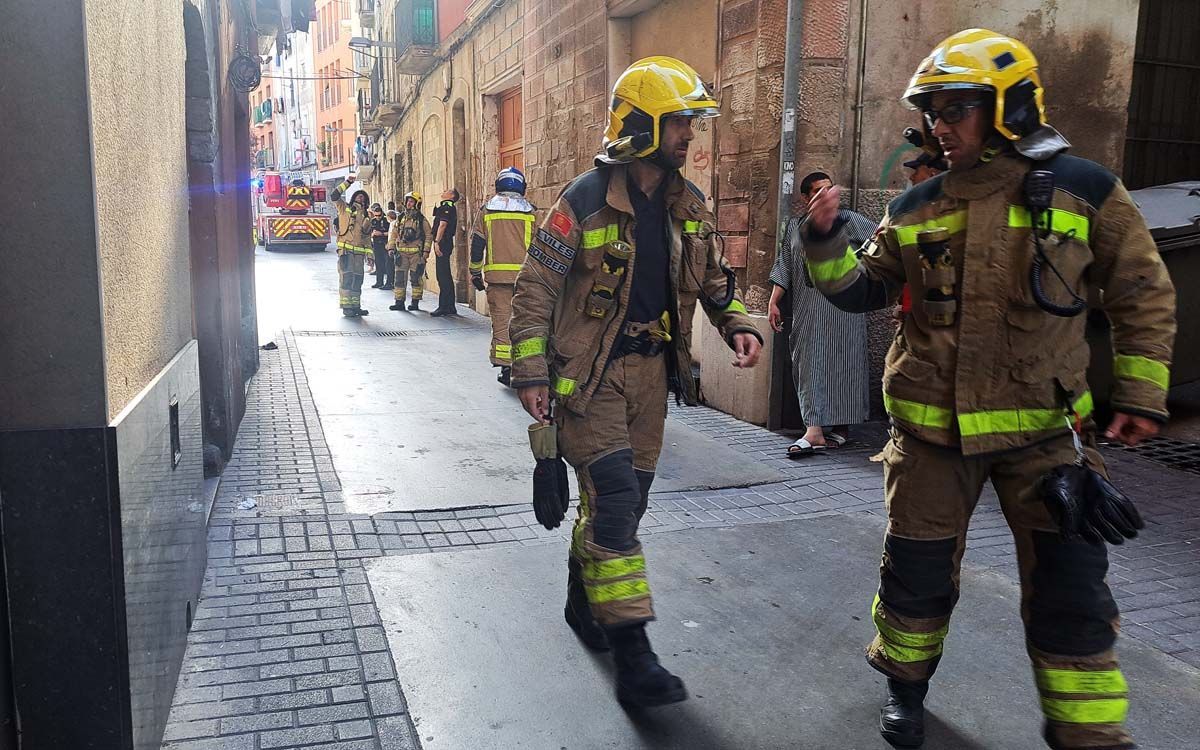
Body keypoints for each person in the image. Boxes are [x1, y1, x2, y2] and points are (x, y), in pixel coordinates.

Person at [801, 29, 1175, 749]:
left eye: (957, 108)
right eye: (934, 111)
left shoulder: (1084, 189)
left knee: (1072, 593)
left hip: (1044, 438)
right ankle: (905, 690)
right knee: (914, 579)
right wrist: (822, 243)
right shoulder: (915, 206)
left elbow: (1142, 292)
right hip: (931, 439)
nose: (941, 124)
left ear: (1009, 108)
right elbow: (858, 291)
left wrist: (1139, 394)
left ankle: (1089, 733)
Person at [509, 56, 763, 708]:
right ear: (643, 125)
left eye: (689, 123)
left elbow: (712, 284)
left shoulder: (688, 204)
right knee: (618, 504)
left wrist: (736, 323)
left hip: (652, 378)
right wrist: (531, 373)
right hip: (589, 381)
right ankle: (635, 657)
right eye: (678, 122)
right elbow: (536, 289)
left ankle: (580, 597)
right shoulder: (584, 200)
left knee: (621, 505)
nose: (688, 135)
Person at [767, 171, 873, 456]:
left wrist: (860, 270)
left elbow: (881, 242)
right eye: (817, 191)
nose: (825, 196)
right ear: (805, 197)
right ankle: (813, 428)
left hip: (846, 309)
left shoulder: (849, 220)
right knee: (809, 360)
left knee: (846, 362)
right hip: (809, 307)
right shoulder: (795, 226)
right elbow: (786, 263)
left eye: (829, 190)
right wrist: (774, 300)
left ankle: (840, 427)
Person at [470, 168, 536, 384]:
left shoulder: (487, 211)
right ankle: (529, 368)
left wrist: (475, 272)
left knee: (502, 322)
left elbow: (477, 245)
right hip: (527, 279)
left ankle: (507, 371)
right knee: (528, 323)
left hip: (498, 280)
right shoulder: (532, 212)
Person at [329, 178, 374, 317]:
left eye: (363, 197)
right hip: (346, 253)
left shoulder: (367, 216)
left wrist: (370, 255)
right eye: (358, 195)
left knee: (358, 280)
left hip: (359, 256)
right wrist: (348, 182)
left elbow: (367, 237)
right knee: (346, 279)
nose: (360, 198)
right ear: (354, 197)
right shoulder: (344, 208)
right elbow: (334, 195)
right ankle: (346, 307)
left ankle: (355, 306)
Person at [388, 191, 432, 312]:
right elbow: (394, 234)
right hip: (401, 254)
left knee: (415, 278)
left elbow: (428, 235)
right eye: (407, 201)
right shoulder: (401, 218)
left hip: (416, 255)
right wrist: (391, 248)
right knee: (399, 278)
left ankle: (415, 302)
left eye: (411, 201)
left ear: (417, 204)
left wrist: (425, 253)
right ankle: (399, 302)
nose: (408, 203)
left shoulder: (421, 219)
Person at [430, 188, 460, 317]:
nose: (443, 190)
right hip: (444, 242)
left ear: (451, 196)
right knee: (445, 274)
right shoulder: (446, 206)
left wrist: (437, 242)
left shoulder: (447, 207)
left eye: (447, 190)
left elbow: (443, 225)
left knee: (442, 275)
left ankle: (444, 306)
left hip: (443, 243)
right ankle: (450, 306)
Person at [369, 203, 393, 290]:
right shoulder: (373, 221)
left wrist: (381, 233)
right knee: (378, 264)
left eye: (379, 215)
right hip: (376, 245)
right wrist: (372, 234)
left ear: (382, 213)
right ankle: (379, 282)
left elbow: (391, 233)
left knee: (388, 265)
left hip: (385, 244)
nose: (377, 217)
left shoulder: (387, 221)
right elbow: (370, 232)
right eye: (376, 216)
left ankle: (389, 283)